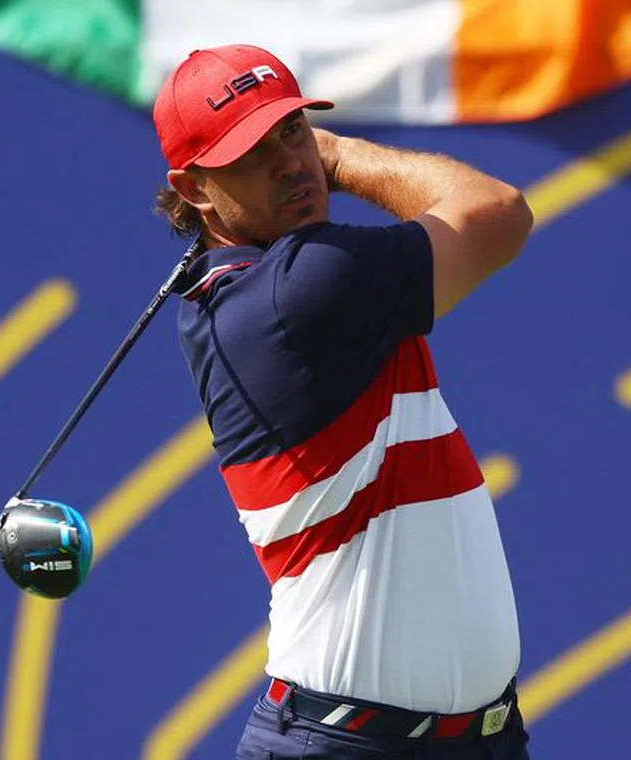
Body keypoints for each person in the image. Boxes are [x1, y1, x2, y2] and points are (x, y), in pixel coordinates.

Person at [151, 44, 534, 760]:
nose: (290, 164)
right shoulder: (301, 290)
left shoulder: (259, 285)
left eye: (293, 131)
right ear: (196, 188)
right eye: (252, 153)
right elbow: (499, 212)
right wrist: (337, 154)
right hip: (342, 745)